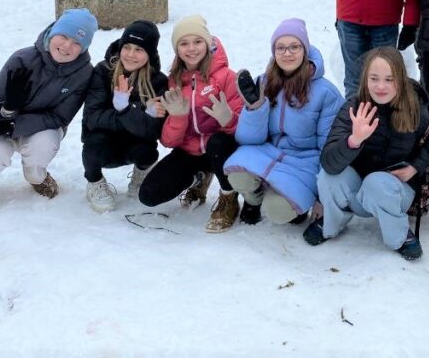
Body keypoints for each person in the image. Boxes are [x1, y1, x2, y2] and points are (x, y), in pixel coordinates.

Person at [304, 47, 429, 259]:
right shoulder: (352, 109)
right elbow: (329, 163)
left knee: (376, 183)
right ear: (365, 79)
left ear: (401, 78)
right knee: (329, 177)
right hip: (357, 190)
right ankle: (332, 223)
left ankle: (398, 236)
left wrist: (415, 167)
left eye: (389, 79)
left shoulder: (414, 109)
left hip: (393, 192)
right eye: (374, 78)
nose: (381, 86)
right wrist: (354, 140)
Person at [0, 9, 98, 215]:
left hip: (39, 128)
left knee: (45, 146)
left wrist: (15, 124)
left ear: (83, 49)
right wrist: (4, 111)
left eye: (77, 43)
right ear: (52, 33)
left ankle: (36, 177)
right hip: (0, 123)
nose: (67, 46)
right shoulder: (22, 59)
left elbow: (60, 117)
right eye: (64, 36)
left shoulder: (83, 74)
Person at [222, 19, 345, 226]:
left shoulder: (325, 92)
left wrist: (322, 198)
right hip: (268, 151)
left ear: (305, 50)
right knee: (238, 177)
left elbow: (330, 147)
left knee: (277, 212)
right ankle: (256, 198)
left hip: (305, 161)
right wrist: (255, 109)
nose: (287, 53)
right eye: (280, 47)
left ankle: (290, 203)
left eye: (294, 47)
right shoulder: (264, 82)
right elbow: (247, 139)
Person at [137, 15, 246, 232]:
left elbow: (245, 131)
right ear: (177, 49)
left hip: (223, 151)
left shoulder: (227, 77)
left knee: (218, 143)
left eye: (197, 42)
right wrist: (177, 116)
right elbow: (168, 141)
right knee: (148, 195)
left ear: (208, 43)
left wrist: (228, 119)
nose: (192, 49)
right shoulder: (174, 81)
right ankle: (199, 178)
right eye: (184, 43)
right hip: (189, 151)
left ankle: (228, 199)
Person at [81, 20, 168, 213]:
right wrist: (136, 112)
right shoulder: (103, 72)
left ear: (150, 53)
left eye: (139, 49)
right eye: (127, 47)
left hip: (134, 145)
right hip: (104, 145)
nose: (130, 54)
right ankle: (95, 182)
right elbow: (92, 117)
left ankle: (140, 174)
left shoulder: (159, 81)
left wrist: (125, 110)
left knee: (148, 152)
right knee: (93, 144)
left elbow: (154, 130)